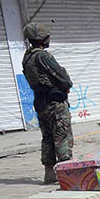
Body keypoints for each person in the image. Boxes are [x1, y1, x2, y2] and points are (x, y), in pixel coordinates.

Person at [21, 23, 73, 184]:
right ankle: (67, 174)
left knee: (48, 137)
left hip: (41, 102)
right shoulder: (44, 56)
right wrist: (65, 84)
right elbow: (63, 79)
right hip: (54, 102)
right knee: (62, 135)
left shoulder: (27, 57)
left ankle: (49, 173)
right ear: (42, 39)